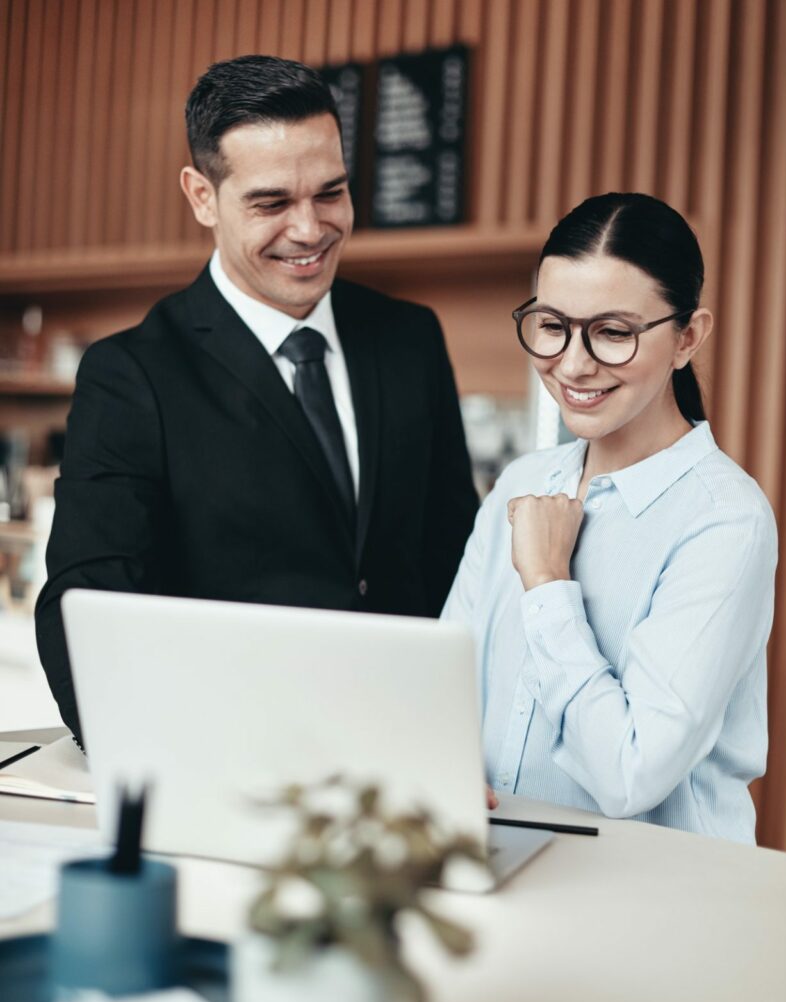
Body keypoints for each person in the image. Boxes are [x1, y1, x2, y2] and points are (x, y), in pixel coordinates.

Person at [36, 55, 478, 746]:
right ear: (202, 196)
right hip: (233, 759)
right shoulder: (132, 374)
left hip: (410, 752)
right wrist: (167, 761)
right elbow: (83, 605)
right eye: (272, 203)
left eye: (330, 192)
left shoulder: (409, 337)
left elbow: (456, 556)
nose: (310, 230)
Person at [444, 193, 777, 843]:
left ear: (688, 337)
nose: (572, 363)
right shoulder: (520, 483)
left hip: (652, 903)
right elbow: (442, 685)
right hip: (492, 870)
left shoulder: (725, 522)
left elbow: (630, 774)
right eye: (551, 325)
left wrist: (547, 585)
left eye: (613, 332)